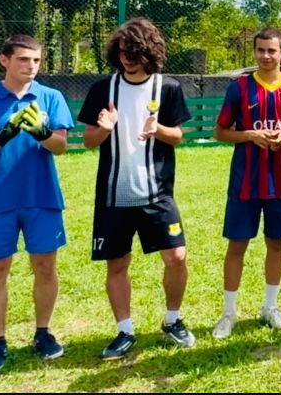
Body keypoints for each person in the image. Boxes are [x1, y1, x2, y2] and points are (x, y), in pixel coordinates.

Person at [79, 18, 194, 360]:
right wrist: (104, 129)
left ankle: (172, 320)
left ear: (149, 52)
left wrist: (159, 129)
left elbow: (178, 136)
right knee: (117, 264)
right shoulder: (103, 89)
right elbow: (88, 141)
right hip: (114, 195)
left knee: (176, 257)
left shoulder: (168, 88)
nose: (127, 58)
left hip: (157, 193)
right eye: (122, 51)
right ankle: (125, 330)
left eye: (134, 51)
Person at [0, 35, 73, 373]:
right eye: (23, 59)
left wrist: (42, 133)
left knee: (45, 266)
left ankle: (43, 333)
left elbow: (61, 146)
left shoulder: (51, 97)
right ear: (4, 60)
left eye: (36, 60)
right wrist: (2, 135)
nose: (31, 66)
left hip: (42, 196)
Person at [211, 28, 281, 338]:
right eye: (260, 50)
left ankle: (270, 308)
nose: (265, 56)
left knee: (276, 243)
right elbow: (220, 132)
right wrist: (249, 134)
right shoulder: (239, 88)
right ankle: (228, 313)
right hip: (245, 182)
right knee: (237, 246)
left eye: (271, 50)